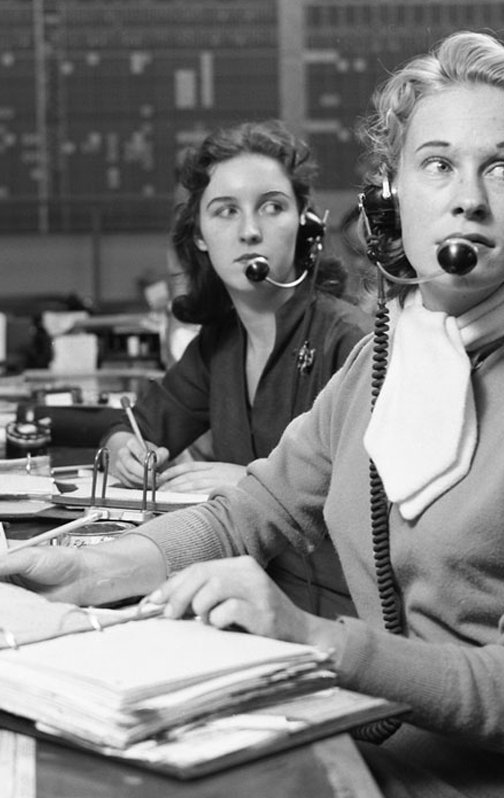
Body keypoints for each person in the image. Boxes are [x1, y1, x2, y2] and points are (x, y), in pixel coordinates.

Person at [0, 31, 504, 798]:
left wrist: (311, 642)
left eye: (502, 168)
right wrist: (94, 569)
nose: (467, 197)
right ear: (390, 199)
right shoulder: (395, 354)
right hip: (365, 736)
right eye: (437, 164)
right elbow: (253, 512)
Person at [101, 120, 372, 617]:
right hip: (243, 601)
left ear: (304, 226)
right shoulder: (218, 346)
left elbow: (376, 508)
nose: (250, 231)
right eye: (226, 211)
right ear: (200, 236)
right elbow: (135, 426)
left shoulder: (349, 340)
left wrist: (253, 487)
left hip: (339, 616)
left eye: (272, 207)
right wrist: (126, 450)